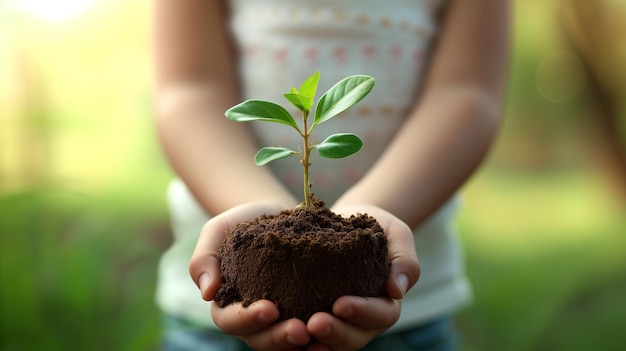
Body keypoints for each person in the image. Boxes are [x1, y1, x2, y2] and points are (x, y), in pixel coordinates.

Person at [152, 0, 510, 350]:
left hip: (407, 313)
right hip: (224, 305)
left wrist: (367, 222)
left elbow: (467, 92)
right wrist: (260, 222)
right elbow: (190, 89)